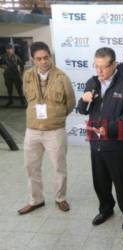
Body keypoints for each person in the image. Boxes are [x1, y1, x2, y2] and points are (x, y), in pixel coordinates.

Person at [77, 47, 123, 231]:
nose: (99, 71)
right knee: (100, 181)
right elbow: (82, 109)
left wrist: (108, 129)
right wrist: (84, 99)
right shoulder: (92, 82)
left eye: (103, 67)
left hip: (117, 143)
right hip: (96, 143)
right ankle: (106, 209)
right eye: (96, 66)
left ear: (114, 64)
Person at [18, 42, 75, 214]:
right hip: (32, 130)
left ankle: (60, 198)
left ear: (50, 57)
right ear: (33, 59)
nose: (43, 62)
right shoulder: (27, 75)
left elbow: (71, 102)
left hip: (54, 131)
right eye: (39, 59)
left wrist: (55, 117)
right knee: (31, 167)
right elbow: (27, 97)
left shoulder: (62, 77)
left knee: (59, 167)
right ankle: (36, 200)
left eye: (46, 58)